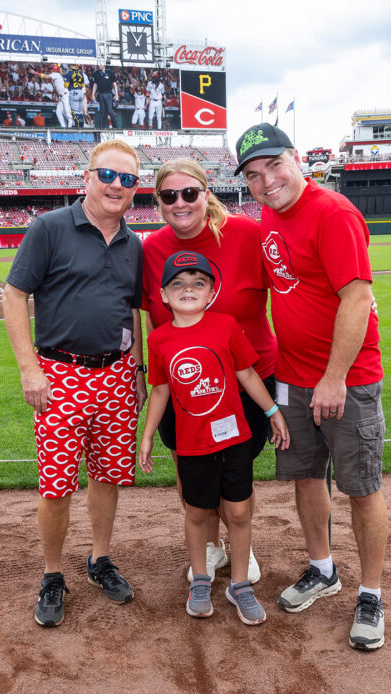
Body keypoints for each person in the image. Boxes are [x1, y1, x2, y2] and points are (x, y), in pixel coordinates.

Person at [235, 123, 388, 651]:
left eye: (274, 166)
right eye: (253, 175)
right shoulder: (270, 214)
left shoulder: (333, 212)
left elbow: (356, 297)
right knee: (305, 478)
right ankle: (323, 570)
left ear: (297, 159)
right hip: (293, 379)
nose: (266, 181)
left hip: (345, 380)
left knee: (361, 488)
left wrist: (334, 377)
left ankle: (371, 594)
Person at [2, 139, 147, 628]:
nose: (116, 186)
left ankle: (99, 559)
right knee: (57, 484)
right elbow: (14, 293)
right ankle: (51, 574)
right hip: (60, 373)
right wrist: (28, 367)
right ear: (87, 177)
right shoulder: (50, 228)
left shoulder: (134, 244)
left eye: (127, 180)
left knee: (109, 476)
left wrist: (140, 371)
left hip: (118, 374)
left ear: (134, 191)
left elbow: (133, 311)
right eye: (108, 175)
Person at [142, 157, 277, 585]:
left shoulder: (247, 234)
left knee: (236, 467)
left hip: (248, 375)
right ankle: (212, 548)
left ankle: (240, 546)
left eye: (189, 193)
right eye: (169, 196)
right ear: (159, 201)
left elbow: (294, 283)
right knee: (192, 466)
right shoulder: (151, 248)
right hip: (185, 384)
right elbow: (148, 314)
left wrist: (357, 301)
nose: (180, 203)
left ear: (206, 191)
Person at [139, 250, 289, 625]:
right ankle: (201, 580)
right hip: (192, 445)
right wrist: (147, 437)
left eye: (198, 283)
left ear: (211, 292)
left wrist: (272, 412)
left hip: (234, 439)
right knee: (196, 511)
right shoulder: (158, 340)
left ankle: (240, 585)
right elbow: (159, 391)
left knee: (238, 511)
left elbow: (248, 374)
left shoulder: (225, 326)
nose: (188, 289)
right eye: (178, 284)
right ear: (163, 295)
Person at [91, 63, 119, 130]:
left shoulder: (110, 72)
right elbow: (95, 84)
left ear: (104, 65)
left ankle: (116, 127)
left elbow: (114, 84)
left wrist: (116, 94)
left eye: (101, 64)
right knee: (103, 112)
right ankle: (105, 128)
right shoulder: (96, 74)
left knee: (110, 110)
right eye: (98, 64)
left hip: (109, 94)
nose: (99, 65)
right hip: (101, 94)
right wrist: (93, 94)